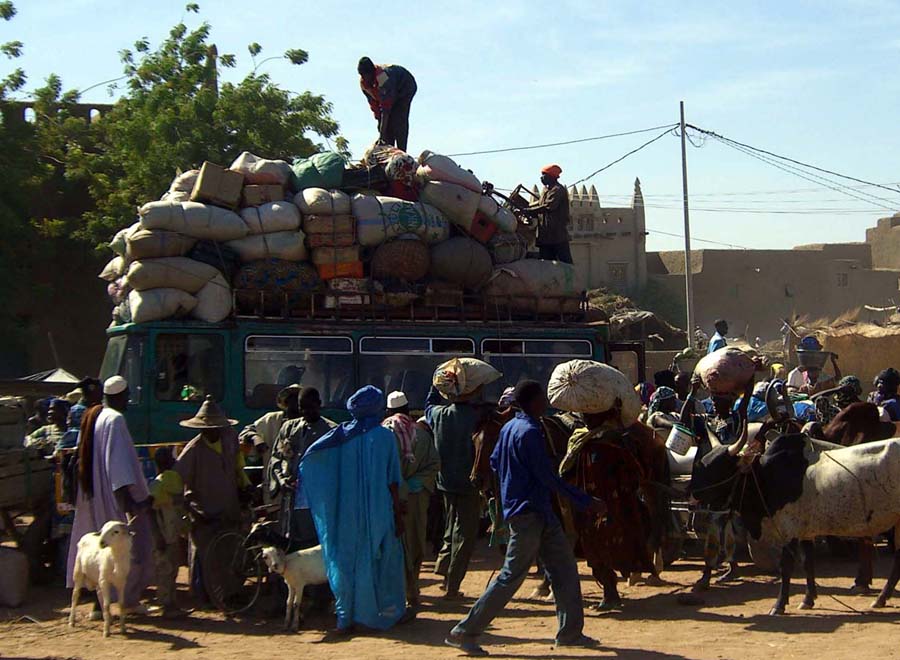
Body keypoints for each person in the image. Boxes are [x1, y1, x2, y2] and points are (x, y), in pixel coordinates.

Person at [445, 381, 604, 656]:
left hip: (533, 512)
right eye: (542, 399)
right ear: (532, 402)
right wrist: (586, 501)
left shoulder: (509, 428)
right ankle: (465, 631)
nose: (546, 403)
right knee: (511, 576)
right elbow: (547, 477)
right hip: (530, 513)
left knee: (564, 570)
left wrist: (511, 483)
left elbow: (494, 462)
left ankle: (570, 633)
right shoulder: (530, 431)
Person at [299, 386, 408, 632]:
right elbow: (393, 481)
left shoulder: (339, 436)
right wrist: (398, 515)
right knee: (382, 560)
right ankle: (379, 612)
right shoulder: (385, 437)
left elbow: (311, 459)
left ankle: (345, 617)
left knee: (344, 562)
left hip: (345, 512)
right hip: (379, 511)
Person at [66, 376, 154, 614]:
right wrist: (131, 501)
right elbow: (119, 466)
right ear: (120, 396)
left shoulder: (95, 415)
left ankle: (98, 606)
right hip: (115, 496)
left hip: (96, 492)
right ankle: (129, 602)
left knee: (100, 552)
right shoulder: (114, 419)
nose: (127, 401)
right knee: (130, 551)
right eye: (126, 397)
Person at [175, 396, 252, 603]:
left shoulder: (230, 439)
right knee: (208, 558)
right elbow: (177, 484)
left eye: (215, 428)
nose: (212, 432)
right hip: (205, 512)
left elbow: (238, 467)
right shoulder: (193, 451)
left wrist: (245, 488)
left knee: (232, 552)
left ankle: (233, 593)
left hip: (229, 506)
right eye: (207, 429)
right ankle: (211, 597)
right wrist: (191, 509)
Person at [682, 377, 751, 590]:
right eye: (714, 399)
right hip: (705, 477)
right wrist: (691, 393)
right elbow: (684, 420)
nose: (715, 402)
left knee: (718, 522)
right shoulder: (705, 420)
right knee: (715, 522)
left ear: (730, 403)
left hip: (725, 480)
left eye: (721, 400)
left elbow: (743, 411)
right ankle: (729, 564)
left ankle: (708, 570)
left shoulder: (735, 420)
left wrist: (749, 385)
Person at [426, 384, 491, 600]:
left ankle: (444, 572)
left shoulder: (438, 414)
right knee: (465, 535)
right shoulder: (475, 417)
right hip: (468, 484)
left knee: (450, 528)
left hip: (444, 482)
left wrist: (436, 385)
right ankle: (453, 585)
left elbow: (429, 405)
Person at [383, 391, 441, 607]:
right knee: (415, 543)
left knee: (394, 544)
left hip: (390, 497)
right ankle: (412, 590)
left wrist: (400, 488)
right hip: (416, 498)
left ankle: (398, 591)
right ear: (408, 410)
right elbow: (434, 465)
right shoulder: (422, 435)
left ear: (388, 411)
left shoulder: (382, 434)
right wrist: (414, 483)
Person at [270, 386, 335, 548]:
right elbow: (277, 458)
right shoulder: (289, 428)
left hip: (317, 503)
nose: (305, 412)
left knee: (314, 548)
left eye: (309, 407)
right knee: (290, 547)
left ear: (319, 404)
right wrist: (281, 479)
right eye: (302, 408)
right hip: (292, 501)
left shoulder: (332, 432)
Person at [148, 446, 188, 617]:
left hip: (165, 533)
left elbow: (150, 508)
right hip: (171, 533)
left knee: (167, 570)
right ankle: (168, 606)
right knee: (169, 570)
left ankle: (169, 604)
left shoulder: (158, 483)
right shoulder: (176, 480)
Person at [358, 57, 417, 152]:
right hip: (388, 93)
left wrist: (382, 133)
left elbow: (386, 108)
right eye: (362, 75)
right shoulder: (364, 84)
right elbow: (374, 105)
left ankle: (401, 152)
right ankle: (388, 150)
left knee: (398, 119)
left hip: (405, 86)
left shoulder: (383, 77)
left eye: (366, 75)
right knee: (386, 126)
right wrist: (379, 122)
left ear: (371, 72)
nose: (364, 78)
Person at [527, 164, 572, 264]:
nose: (542, 178)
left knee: (565, 263)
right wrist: (528, 207)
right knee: (546, 264)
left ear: (552, 177)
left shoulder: (558, 190)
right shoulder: (546, 190)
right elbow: (539, 203)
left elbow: (548, 206)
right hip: (545, 236)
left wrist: (530, 210)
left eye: (544, 175)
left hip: (557, 236)